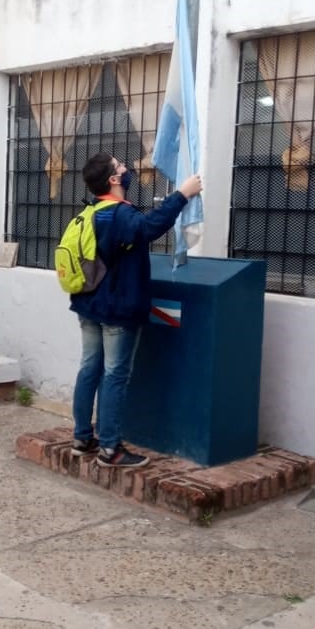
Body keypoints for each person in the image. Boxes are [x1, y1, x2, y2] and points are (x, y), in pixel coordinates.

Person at [70, 152, 203, 469]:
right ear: (114, 180)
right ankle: (110, 450)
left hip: (89, 305)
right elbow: (149, 227)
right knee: (115, 375)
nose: (126, 168)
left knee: (89, 369)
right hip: (116, 310)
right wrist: (183, 194)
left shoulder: (92, 212)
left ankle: (81, 438)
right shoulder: (118, 214)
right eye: (120, 166)